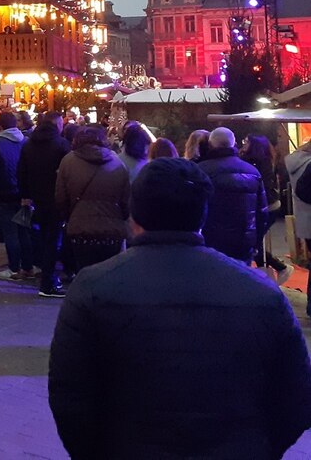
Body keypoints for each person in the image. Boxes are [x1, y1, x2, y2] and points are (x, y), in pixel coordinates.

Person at [49, 158, 311, 459]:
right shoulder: (260, 292)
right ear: (203, 213)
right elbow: (295, 395)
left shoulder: (92, 287)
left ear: (135, 215)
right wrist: (259, 447)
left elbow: (70, 396)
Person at [55, 125, 130, 270]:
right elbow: (126, 200)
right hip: (111, 230)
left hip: (80, 228)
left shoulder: (68, 161)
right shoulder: (117, 163)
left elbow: (60, 197)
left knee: (84, 271)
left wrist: (69, 216)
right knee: (108, 272)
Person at [196, 127, 268, 266]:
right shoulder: (252, 172)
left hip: (211, 240)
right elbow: (262, 213)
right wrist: (255, 241)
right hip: (243, 241)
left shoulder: (200, 171)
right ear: (234, 144)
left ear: (210, 144)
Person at [19, 111, 71, 298]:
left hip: (36, 198)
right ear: (57, 125)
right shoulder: (61, 144)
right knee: (53, 239)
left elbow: (21, 171)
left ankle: (44, 272)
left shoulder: (29, 144)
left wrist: (25, 195)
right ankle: (48, 281)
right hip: (55, 198)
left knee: (40, 236)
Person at [0, 112, 34, 281]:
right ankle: (27, 267)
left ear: (0, 126)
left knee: (10, 232)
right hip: (23, 193)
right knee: (23, 231)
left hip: (2, 193)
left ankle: (14, 269)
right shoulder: (26, 142)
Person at [242, 134, 291, 284]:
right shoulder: (264, 161)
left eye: (246, 142)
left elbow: (260, 185)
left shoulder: (258, 163)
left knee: (255, 242)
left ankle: (278, 268)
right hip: (268, 204)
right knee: (256, 241)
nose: (243, 144)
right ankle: (273, 270)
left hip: (266, 206)